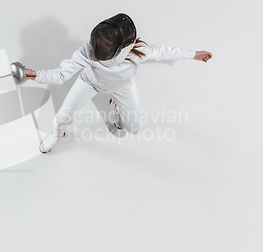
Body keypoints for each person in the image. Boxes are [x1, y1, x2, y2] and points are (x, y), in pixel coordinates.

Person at [24, 13, 212, 153]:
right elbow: (59, 75)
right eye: (101, 40)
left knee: (134, 128)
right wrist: (30, 74)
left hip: (123, 87)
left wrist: (194, 55)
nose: (101, 46)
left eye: (107, 43)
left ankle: (116, 105)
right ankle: (57, 134)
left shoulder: (140, 52)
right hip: (89, 83)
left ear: (123, 47)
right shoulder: (88, 51)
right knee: (61, 119)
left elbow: (166, 52)